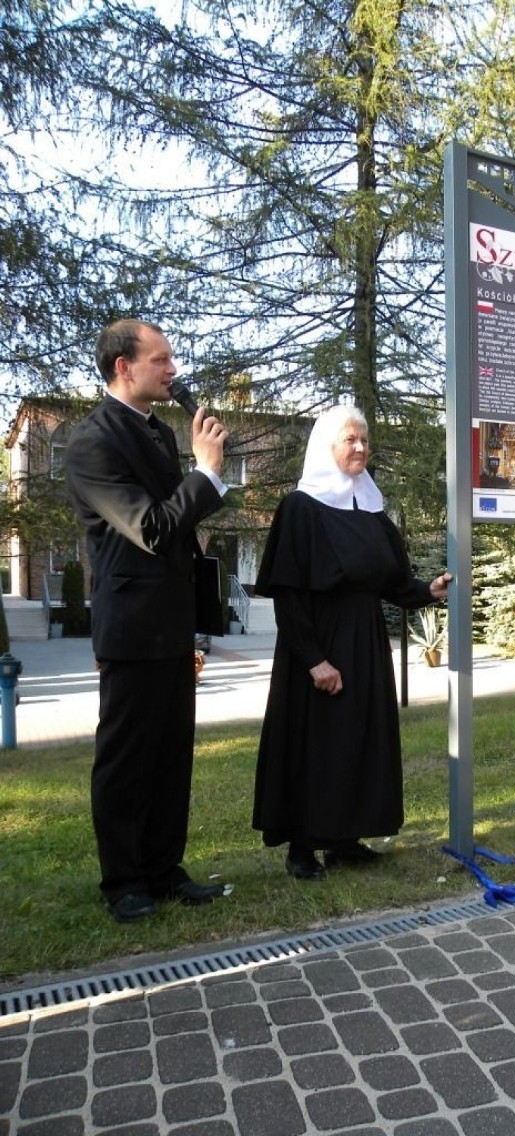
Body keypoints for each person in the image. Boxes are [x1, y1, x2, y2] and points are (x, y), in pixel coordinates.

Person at [64, 318, 230, 922]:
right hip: (132, 627)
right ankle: (124, 882)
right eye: (160, 359)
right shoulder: (92, 442)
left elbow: (179, 522)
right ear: (123, 367)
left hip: (171, 620)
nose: (173, 369)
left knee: (170, 754)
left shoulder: (158, 434)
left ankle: (164, 869)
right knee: (128, 758)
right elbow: (155, 528)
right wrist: (207, 472)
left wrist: (200, 467)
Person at [253, 405, 451, 881]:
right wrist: (314, 660)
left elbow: (388, 581)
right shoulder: (300, 508)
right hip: (317, 641)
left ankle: (345, 839)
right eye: (350, 440)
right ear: (327, 445)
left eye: (364, 439)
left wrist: (427, 591)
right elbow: (289, 595)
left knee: (357, 739)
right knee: (314, 742)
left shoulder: (372, 508)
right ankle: (302, 845)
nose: (360, 447)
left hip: (364, 640)